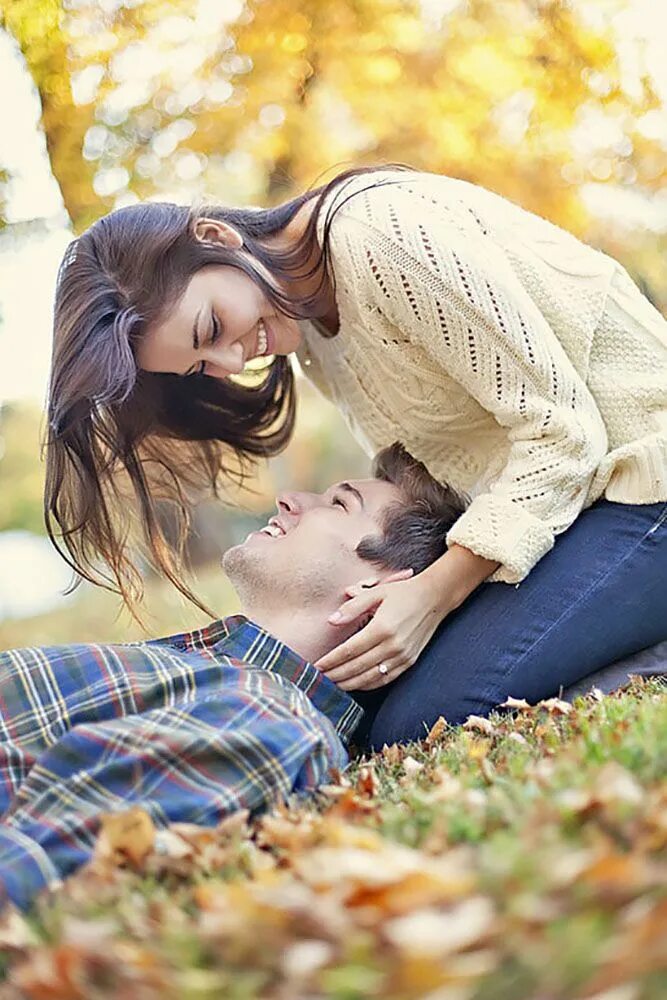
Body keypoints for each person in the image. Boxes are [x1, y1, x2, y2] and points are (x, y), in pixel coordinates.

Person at [45, 162, 667, 748]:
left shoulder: (376, 236)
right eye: (202, 364)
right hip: (573, 511)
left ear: (216, 238)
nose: (234, 362)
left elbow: (564, 434)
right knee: (361, 691)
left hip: (643, 482)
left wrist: (433, 595)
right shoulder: (311, 329)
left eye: (212, 329)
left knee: (419, 719)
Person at [0, 444, 468, 911]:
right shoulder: (215, 674)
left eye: (339, 504)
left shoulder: (269, 718)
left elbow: (35, 863)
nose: (289, 498)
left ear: (380, 586)